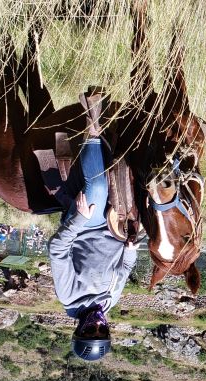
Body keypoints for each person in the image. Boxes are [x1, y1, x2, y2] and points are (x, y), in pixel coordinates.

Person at [49, 91, 137, 362]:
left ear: (79, 329)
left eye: (91, 330)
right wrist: (132, 247)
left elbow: (57, 250)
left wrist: (80, 218)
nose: (97, 324)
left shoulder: (70, 297)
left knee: (98, 189)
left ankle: (93, 125)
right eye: (102, 330)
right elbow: (124, 268)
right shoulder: (111, 300)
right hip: (120, 232)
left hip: (88, 225)